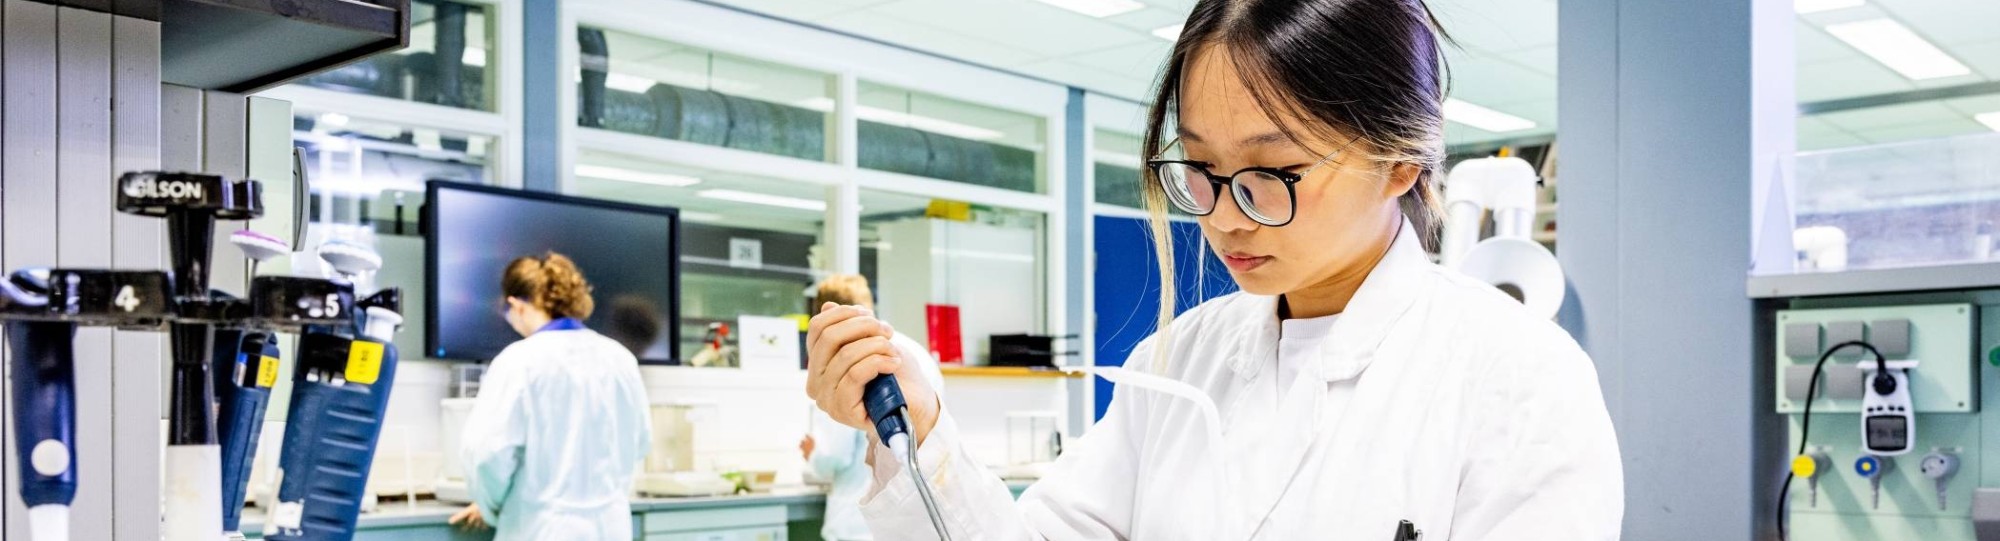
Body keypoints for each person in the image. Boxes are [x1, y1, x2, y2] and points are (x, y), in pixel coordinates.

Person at [803, 0, 1623, 539]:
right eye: (1199, 166)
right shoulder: (1180, 358)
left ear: (1400, 161)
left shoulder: (1519, 377)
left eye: (1273, 171)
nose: (1224, 213)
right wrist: (922, 428)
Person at [449, 252, 653, 541]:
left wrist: (492, 507)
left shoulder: (519, 361)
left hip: (542, 528)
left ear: (515, 306)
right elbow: (640, 442)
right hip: (609, 527)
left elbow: (486, 454)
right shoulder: (619, 359)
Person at [799, 274, 944, 541]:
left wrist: (813, 455)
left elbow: (835, 455)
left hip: (858, 526)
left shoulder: (847, 359)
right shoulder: (916, 352)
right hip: (921, 518)